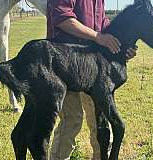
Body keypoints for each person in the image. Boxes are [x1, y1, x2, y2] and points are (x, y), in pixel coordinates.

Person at [46, 0, 137, 159]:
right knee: (72, 119)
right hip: (65, 64)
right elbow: (62, 18)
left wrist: (123, 48)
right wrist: (97, 37)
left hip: (93, 68)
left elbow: (103, 23)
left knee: (100, 120)